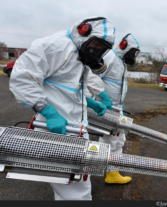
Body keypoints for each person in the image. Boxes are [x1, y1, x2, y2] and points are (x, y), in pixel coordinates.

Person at [9, 17, 115, 200]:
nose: (96, 50)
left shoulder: (78, 52)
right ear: (83, 30)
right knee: (73, 188)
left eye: (102, 48)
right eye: (96, 44)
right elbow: (22, 79)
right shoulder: (56, 46)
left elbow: (69, 85)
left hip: (74, 127)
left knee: (76, 182)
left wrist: (88, 101)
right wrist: (49, 113)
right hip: (58, 129)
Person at [96, 33, 140, 184]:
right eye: (133, 52)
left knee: (109, 138)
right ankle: (112, 173)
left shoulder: (120, 62)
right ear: (124, 47)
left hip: (114, 107)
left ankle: (104, 168)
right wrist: (99, 99)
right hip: (106, 107)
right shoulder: (110, 58)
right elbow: (92, 78)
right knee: (115, 139)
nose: (134, 56)